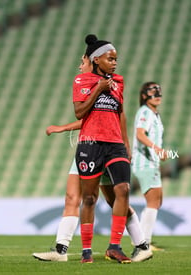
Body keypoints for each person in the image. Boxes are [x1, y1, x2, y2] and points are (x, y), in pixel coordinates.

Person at [32, 55, 152, 262]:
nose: (79, 65)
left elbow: (107, 116)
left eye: (82, 61)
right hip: (89, 146)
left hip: (105, 145)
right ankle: (61, 249)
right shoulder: (84, 85)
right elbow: (89, 117)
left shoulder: (108, 83)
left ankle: (140, 244)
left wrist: (125, 143)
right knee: (74, 198)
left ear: (92, 62)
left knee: (116, 197)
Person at [73, 34, 131, 264]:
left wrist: (126, 143)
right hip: (90, 144)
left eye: (116, 59)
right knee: (89, 198)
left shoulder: (119, 81)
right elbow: (79, 113)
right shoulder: (82, 81)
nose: (115, 62)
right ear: (96, 60)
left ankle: (114, 247)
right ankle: (86, 250)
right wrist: (98, 89)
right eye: (110, 58)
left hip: (115, 144)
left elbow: (120, 112)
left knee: (124, 190)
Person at [131, 82, 166, 251]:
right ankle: (143, 241)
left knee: (157, 200)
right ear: (144, 95)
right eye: (153, 91)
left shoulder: (155, 114)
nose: (157, 94)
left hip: (152, 162)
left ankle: (145, 239)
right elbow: (139, 134)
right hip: (143, 162)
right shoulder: (145, 111)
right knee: (153, 201)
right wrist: (157, 149)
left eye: (159, 91)